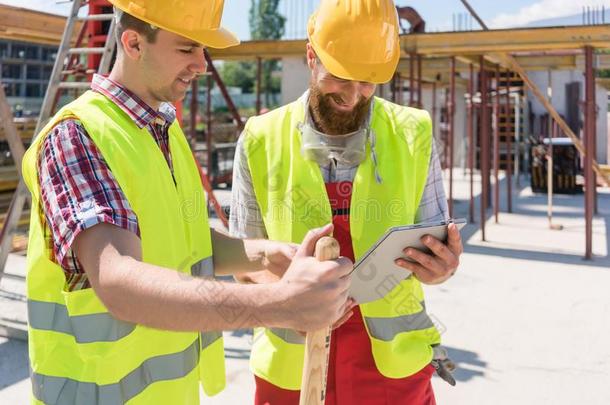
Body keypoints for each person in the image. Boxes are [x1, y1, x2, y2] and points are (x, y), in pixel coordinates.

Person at [21, 1, 352, 404]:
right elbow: (117, 281)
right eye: (187, 49)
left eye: (203, 50)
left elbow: (184, 241)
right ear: (134, 43)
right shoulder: (76, 135)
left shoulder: (162, 130)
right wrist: (279, 305)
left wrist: (265, 255)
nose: (202, 64)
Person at [229, 0, 463, 404]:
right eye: (341, 78)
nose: (355, 95)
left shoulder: (414, 132)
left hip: (393, 374)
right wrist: (287, 302)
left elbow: (432, 246)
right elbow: (241, 259)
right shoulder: (260, 137)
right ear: (311, 56)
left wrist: (440, 269)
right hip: (290, 369)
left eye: (368, 82)